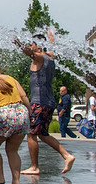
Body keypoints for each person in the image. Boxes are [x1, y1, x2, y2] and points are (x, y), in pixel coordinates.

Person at [15, 34, 76, 175]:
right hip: (49, 102)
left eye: (33, 44)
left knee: (31, 134)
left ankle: (34, 167)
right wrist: (51, 38)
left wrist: (18, 44)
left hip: (39, 102)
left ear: (38, 45)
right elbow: (51, 49)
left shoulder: (40, 58)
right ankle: (67, 156)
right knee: (42, 134)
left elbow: (30, 53)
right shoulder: (51, 57)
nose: (31, 46)